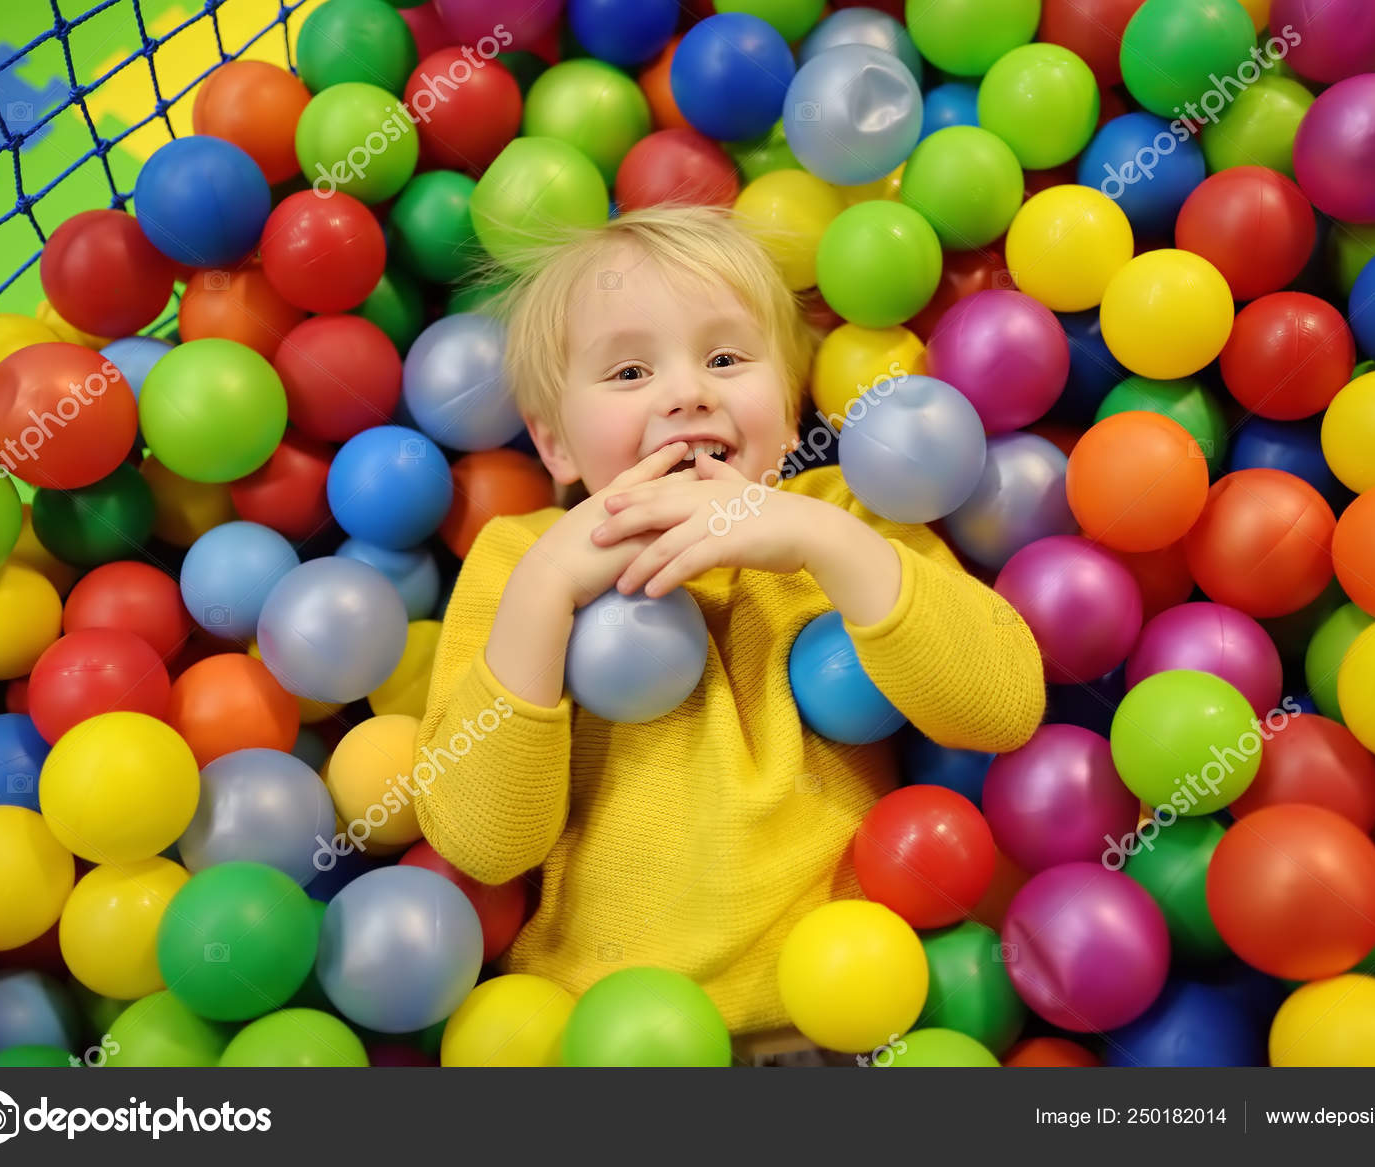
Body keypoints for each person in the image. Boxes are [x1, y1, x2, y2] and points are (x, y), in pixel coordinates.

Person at [413, 204, 1045, 1062]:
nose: (687, 392)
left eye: (725, 358)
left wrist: (826, 543)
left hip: (845, 1020)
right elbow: (484, 843)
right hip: (602, 1038)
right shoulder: (524, 559)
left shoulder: (848, 517)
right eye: (631, 371)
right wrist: (550, 590)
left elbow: (1004, 706)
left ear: (788, 418)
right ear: (554, 440)